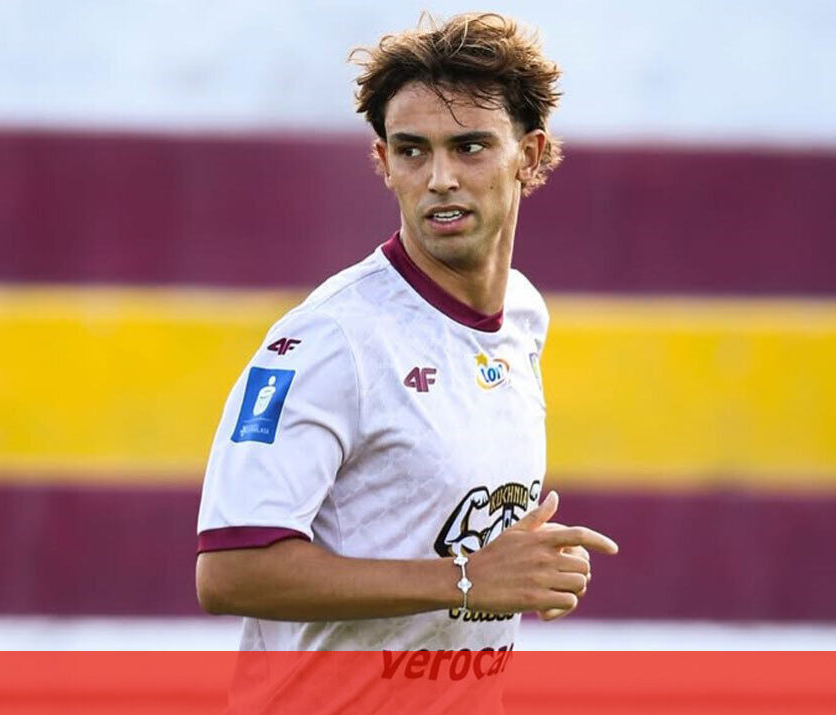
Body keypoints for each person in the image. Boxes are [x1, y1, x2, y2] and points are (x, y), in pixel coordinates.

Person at [195, 11, 618, 653]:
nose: (440, 178)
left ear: (528, 156)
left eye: (470, 147)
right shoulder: (330, 339)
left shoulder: (523, 316)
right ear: (385, 163)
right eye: (412, 150)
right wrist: (467, 580)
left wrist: (522, 568)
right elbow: (230, 572)